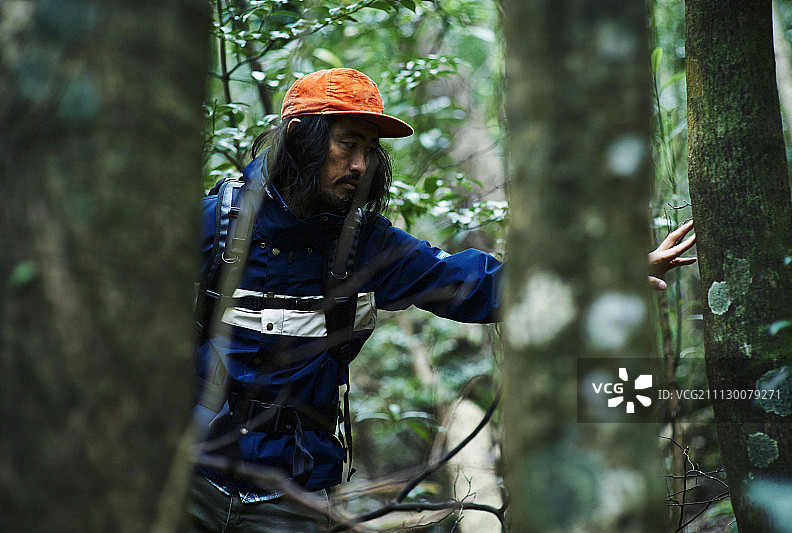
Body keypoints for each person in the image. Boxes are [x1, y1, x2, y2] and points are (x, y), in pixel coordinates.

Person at [187, 68, 696, 532]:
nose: (361, 164)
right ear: (301, 141)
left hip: (292, 495)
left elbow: (472, 284)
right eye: (347, 144)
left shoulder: (366, 244)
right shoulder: (214, 222)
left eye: (370, 149)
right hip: (186, 477)